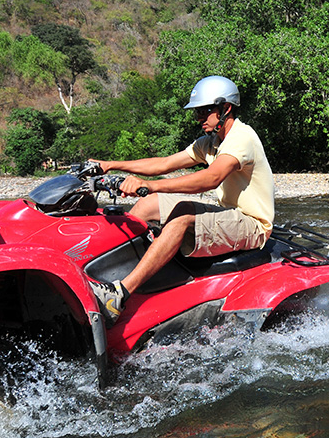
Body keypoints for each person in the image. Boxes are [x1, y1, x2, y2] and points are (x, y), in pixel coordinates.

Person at [88, 75, 274, 322]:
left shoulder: (242, 138)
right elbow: (164, 163)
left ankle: (119, 295)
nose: (199, 119)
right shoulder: (211, 142)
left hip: (252, 224)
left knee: (182, 215)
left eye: (204, 111)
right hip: (227, 213)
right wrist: (109, 165)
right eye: (197, 112)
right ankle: (108, 272)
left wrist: (151, 185)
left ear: (225, 108)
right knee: (147, 204)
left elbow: (211, 178)